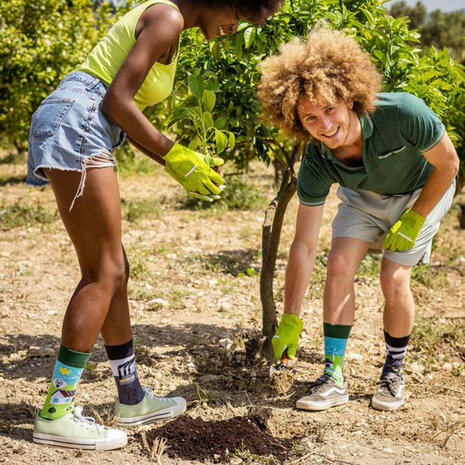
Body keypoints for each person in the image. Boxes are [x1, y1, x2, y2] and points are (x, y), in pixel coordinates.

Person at [27, 0, 282, 450]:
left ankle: (130, 397)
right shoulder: (167, 17)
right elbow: (115, 100)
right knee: (102, 272)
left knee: (115, 270)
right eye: (239, 17)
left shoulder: (172, 26)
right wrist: (174, 155)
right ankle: (57, 412)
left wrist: (175, 159)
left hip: (87, 121)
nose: (234, 28)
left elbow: (119, 112)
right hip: (79, 119)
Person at [258, 26, 459, 412]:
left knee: (393, 275)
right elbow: (303, 244)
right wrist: (290, 318)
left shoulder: (401, 112)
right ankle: (333, 376)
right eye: (310, 118)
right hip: (364, 198)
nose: (325, 125)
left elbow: (449, 165)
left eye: (329, 109)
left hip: (422, 191)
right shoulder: (316, 161)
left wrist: (415, 218)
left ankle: (393, 371)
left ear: (349, 98)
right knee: (337, 263)